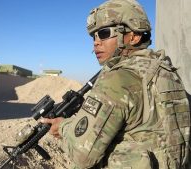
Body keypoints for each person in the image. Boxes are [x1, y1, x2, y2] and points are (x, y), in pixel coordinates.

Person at [41, 0, 191, 168]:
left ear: (133, 36)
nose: (96, 42)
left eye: (104, 33)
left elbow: (82, 156)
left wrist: (63, 127)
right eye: (94, 36)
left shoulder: (117, 80)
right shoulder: (166, 72)